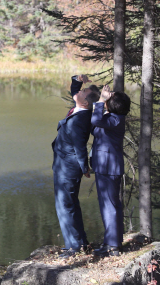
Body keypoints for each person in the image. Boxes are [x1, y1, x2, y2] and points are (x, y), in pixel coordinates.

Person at [52, 75, 100, 258]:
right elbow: (74, 92)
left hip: (68, 167)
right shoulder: (81, 108)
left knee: (66, 205)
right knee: (68, 204)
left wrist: (84, 167)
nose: (80, 91)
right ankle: (79, 242)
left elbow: (81, 146)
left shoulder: (81, 118)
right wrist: (78, 80)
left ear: (86, 102)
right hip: (63, 163)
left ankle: (74, 247)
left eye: (84, 91)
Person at [90, 85, 131, 257]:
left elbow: (95, 121)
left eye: (108, 100)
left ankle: (113, 245)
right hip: (105, 166)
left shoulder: (115, 119)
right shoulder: (111, 118)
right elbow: (94, 125)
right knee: (110, 205)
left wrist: (101, 100)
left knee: (110, 206)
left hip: (108, 167)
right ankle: (112, 241)